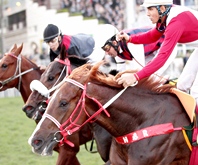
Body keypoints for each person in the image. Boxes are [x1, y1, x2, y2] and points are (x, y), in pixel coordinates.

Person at [115, 0, 198, 108]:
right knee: (182, 85)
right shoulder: (164, 17)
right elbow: (152, 36)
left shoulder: (175, 23)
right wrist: (130, 39)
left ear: (162, 8)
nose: (147, 13)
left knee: (196, 92)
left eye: (150, 9)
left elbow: (161, 58)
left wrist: (135, 77)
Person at [101, 26, 178, 75]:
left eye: (107, 49)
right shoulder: (117, 51)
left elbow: (140, 70)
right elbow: (121, 72)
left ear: (114, 42)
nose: (107, 53)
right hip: (153, 50)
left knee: (153, 76)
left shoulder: (130, 44)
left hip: (167, 44)